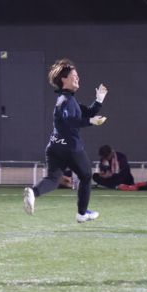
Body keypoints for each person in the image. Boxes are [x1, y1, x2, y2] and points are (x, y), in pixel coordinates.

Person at [23, 59, 107, 222]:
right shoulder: (66, 101)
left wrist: (99, 99)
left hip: (54, 147)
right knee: (86, 175)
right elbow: (72, 121)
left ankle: (33, 192)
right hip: (70, 148)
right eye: (74, 76)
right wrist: (91, 121)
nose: (78, 78)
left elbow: (88, 112)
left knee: (53, 179)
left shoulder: (68, 99)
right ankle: (82, 214)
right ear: (64, 79)